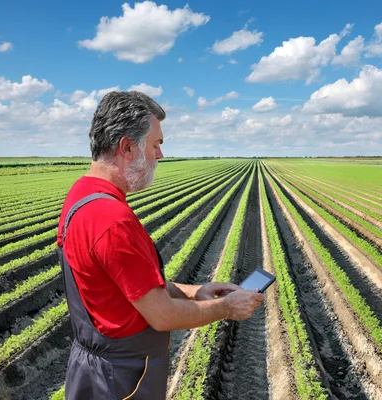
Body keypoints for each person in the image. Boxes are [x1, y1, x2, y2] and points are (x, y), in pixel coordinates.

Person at [56, 91, 264, 400]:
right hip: (121, 380)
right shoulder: (112, 220)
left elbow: (132, 286)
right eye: (156, 144)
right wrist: (226, 307)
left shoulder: (82, 195)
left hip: (96, 369)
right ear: (127, 146)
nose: (160, 155)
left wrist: (196, 292)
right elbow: (162, 315)